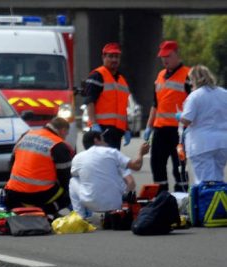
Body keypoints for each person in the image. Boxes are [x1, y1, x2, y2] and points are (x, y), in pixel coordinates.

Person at [144, 40, 191, 192]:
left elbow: (195, 103)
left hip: (179, 132)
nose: (165, 60)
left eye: (168, 56)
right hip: (160, 130)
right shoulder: (160, 75)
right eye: (162, 56)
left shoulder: (188, 75)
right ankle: (162, 198)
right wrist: (148, 127)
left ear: (177, 54)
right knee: (157, 165)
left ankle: (181, 199)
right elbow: (155, 104)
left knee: (180, 167)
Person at [70, 131, 150, 218]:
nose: (106, 142)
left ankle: (80, 216)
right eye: (103, 140)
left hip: (90, 202)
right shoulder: (112, 153)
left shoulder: (78, 157)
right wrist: (141, 153)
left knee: (73, 180)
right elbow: (135, 170)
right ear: (96, 140)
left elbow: (74, 174)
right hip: (116, 203)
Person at [4, 117, 72, 216]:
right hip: (40, 195)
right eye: (66, 134)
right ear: (63, 130)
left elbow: (11, 163)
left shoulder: (26, 135)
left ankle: (21, 209)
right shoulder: (58, 145)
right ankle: (46, 211)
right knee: (71, 190)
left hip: (14, 193)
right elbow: (65, 178)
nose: (65, 137)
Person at [179, 65, 227, 183]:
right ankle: (219, 200)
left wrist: (179, 115)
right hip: (222, 143)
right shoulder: (224, 93)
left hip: (202, 144)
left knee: (205, 181)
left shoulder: (195, 96)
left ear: (194, 79)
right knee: (218, 177)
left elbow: (186, 120)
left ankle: (208, 201)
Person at [83, 42, 131, 150]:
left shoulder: (122, 80)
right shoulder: (97, 76)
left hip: (117, 132)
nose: (114, 60)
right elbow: (90, 101)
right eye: (110, 56)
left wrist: (126, 128)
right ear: (103, 57)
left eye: (116, 57)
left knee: (112, 163)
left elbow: (123, 108)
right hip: (101, 131)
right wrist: (94, 124)